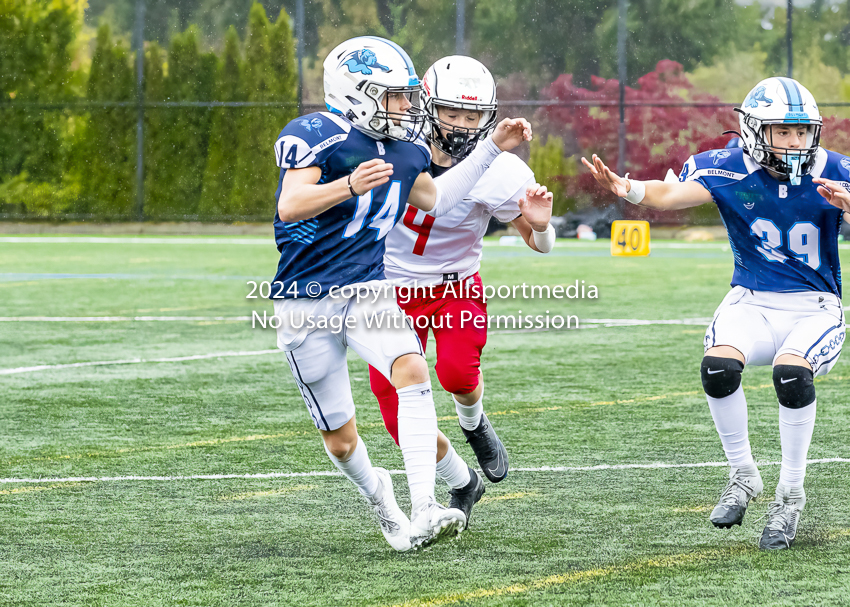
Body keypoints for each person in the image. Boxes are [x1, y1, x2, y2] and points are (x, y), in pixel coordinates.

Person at [270, 36, 531, 551]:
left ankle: (426, 506)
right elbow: (291, 205)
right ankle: (380, 497)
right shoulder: (314, 133)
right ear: (357, 93)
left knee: (410, 370)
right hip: (306, 298)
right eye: (394, 97)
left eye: (407, 97)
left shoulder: (406, 150)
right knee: (341, 441)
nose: (406, 108)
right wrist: (348, 186)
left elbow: (439, 198)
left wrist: (491, 149)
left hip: (369, 288)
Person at [582, 77, 847, 550]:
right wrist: (628, 189)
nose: (794, 142)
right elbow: (671, 196)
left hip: (816, 307)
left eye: (802, 132)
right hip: (752, 298)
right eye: (782, 132)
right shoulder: (725, 168)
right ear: (752, 131)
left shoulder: (838, 171)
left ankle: (790, 493)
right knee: (718, 367)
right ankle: (744, 475)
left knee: (791, 373)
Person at [368, 56, 555, 526]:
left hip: (455, 286)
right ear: (428, 107)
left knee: (455, 374)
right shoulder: (394, 147)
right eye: (452, 113)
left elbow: (540, 244)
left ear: (487, 118)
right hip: (391, 290)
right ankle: (461, 479)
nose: (460, 125)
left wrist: (543, 226)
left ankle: (474, 423)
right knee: (394, 410)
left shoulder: (500, 168)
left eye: (472, 116)